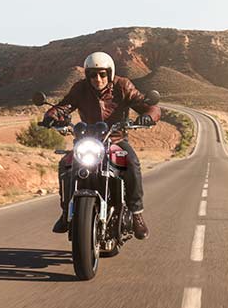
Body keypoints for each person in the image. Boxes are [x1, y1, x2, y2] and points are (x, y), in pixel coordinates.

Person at [45, 52, 161, 238]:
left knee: (132, 163)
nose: (97, 79)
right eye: (92, 74)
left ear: (110, 73)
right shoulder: (80, 88)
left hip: (115, 140)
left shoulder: (123, 86)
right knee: (65, 165)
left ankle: (136, 214)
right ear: (87, 75)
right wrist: (52, 115)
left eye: (102, 74)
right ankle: (66, 211)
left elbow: (146, 105)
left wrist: (149, 115)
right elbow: (64, 106)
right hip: (87, 140)